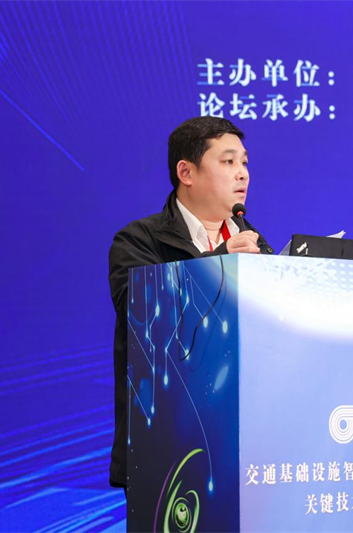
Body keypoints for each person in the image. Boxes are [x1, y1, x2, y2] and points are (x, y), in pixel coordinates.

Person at [107, 116, 273, 491]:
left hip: (247, 443)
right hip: (168, 446)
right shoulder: (138, 240)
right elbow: (143, 313)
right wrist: (219, 263)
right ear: (186, 172)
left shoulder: (255, 243)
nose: (243, 174)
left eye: (245, 162)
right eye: (228, 161)